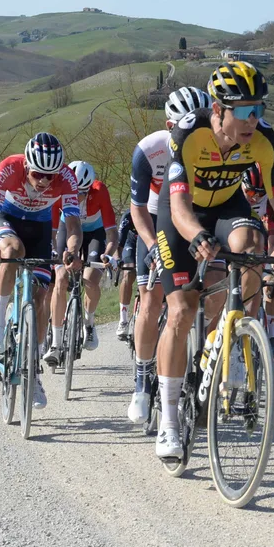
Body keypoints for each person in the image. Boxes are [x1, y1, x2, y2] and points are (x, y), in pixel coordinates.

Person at [152, 62, 274, 460]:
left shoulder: (264, 139)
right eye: (244, 111)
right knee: (181, 309)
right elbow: (177, 203)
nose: (253, 120)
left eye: (258, 109)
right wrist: (197, 236)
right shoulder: (189, 133)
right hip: (182, 213)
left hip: (228, 205)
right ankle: (170, 420)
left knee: (250, 245)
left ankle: (231, 336)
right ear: (218, 110)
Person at [0, 132, 81, 410]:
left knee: (40, 297)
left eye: (51, 176)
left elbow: (73, 226)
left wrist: (71, 251)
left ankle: (33, 372)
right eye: (38, 174)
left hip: (40, 227)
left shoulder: (67, 178)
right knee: (10, 251)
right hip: (7, 219)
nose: (45, 181)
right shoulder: (8, 168)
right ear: (26, 165)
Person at [126, 86, 212, 423]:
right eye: (183, 125)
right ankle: (141, 382)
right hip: (153, 217)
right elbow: (137, 209)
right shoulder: (149, 150)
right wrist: (152, 245)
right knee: (151, 299)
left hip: (194, 218)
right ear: (168, 124)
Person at [42, 161, 115, 368]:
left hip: (95, 234)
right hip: (68, 228)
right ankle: (55, 343)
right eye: (74, 192)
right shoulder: (60, 191)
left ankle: (89, 323)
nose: (77, 197)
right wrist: (55, 254)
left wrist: (107, 255)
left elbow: (111, 232)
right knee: (61, 278)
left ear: (90, 187)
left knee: (90, 278)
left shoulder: (100, 191)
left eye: (82, 192)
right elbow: (54, 231)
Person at [242, 163, 274, 359]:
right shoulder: (233, 196)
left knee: (271, 285)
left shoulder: (268, 202)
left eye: (260, 193)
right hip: (238, 245)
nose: (255, 198)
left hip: (263, 243)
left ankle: (271, 336)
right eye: (251, 192)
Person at [115, 210, 138, 341]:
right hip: (131, 243)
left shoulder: (158, 211)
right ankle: (123, 320)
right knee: (128, 272)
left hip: (149, 244)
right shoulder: (128, 216)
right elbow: (119, 244)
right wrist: (117, 259)